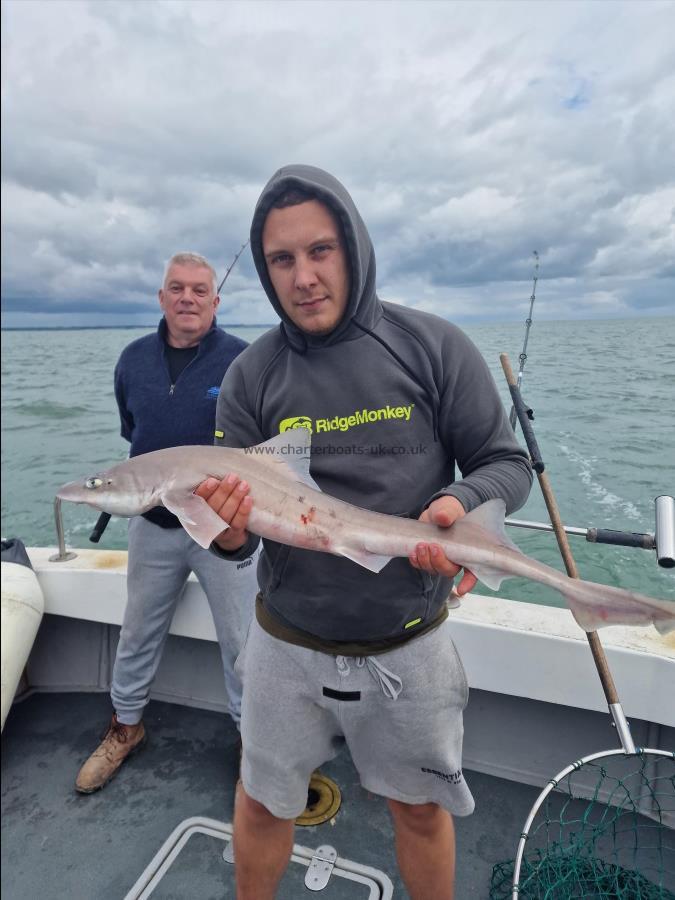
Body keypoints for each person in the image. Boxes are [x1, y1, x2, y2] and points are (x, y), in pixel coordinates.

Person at [196, 167, 533, 899]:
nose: (303, 276)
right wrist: (224, 532)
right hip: (285, 643)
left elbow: (503, 462)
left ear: (353, 247)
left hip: (407, 639)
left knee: (417, 810)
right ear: (264, 270)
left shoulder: (432, 346)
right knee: (259, 802)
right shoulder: (253, 375)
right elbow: (241, 544)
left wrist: (458, 501)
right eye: (281, 260)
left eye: (320, 250)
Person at [75, 252, 258, 794]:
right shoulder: (132, 360)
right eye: (177, 288)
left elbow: (258, 448)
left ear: (216, 300)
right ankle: (125, 727)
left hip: (224, 533)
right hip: (153, 527)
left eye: (200, 290)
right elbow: (133, 428)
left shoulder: (243, 362)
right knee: (136, 634)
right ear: (161, 297)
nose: (187, 298)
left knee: (245, 646)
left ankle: (253, 741)